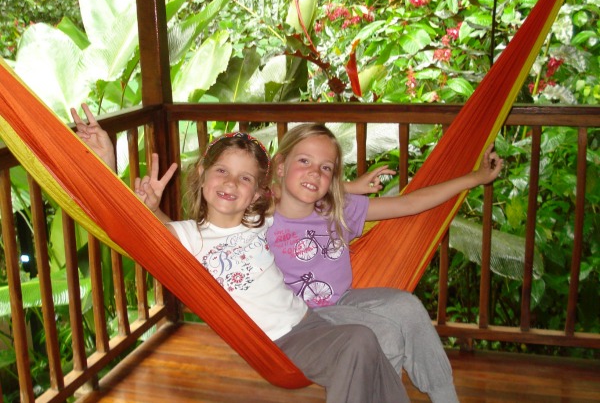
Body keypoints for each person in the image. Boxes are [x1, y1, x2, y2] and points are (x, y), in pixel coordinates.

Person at [70, 105, 409, 403]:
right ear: (202, 178)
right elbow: (123, 225)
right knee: (358, 343)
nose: (231, 183)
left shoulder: (260, 221)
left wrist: (349, 186)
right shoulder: (187, 237)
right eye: (222, 171)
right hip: (277, 344)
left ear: (257, 193)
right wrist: (106, 168)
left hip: (310, 320)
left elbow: (300, 189)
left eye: (245, 178)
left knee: (370, 343)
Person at [267, 123, 504, 403]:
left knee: (408, 307)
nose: (314, 172)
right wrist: (350, 185)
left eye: (326, 168)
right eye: (304, 160)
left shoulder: (338, 209)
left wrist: (473, 178)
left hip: (343, 302)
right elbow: (236, 186)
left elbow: (408, 204)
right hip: (303, 320)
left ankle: (445, 397)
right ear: (280, 166)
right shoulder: (261, 215)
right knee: (385, 335)